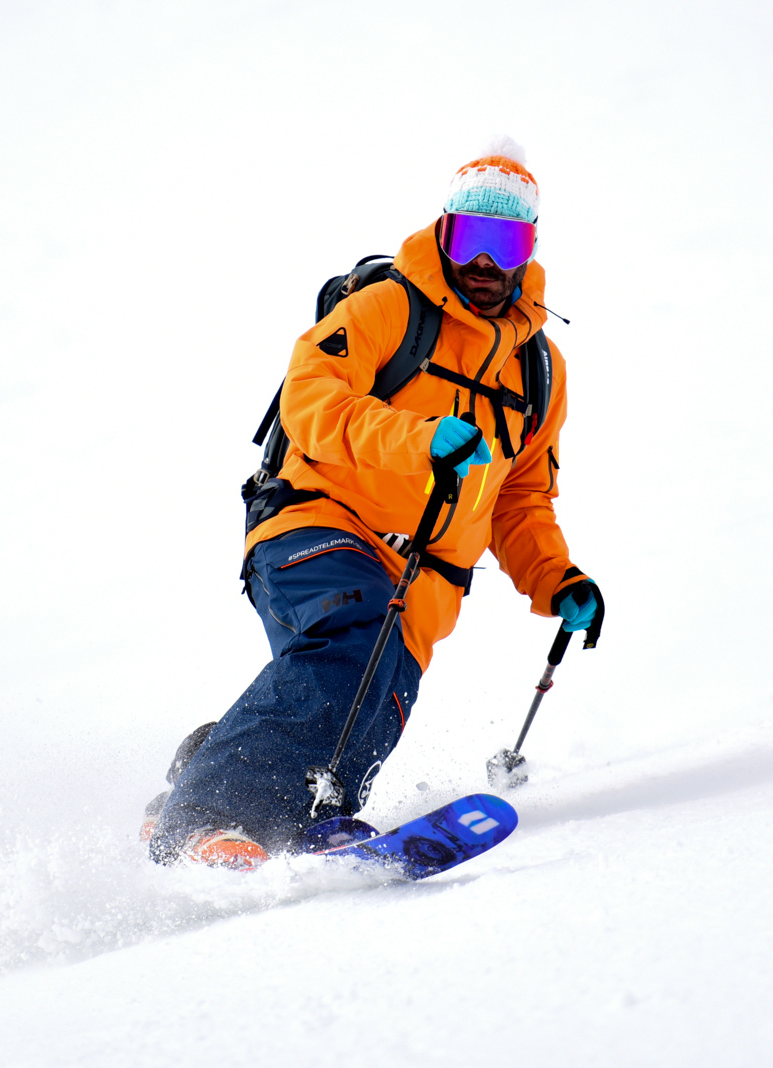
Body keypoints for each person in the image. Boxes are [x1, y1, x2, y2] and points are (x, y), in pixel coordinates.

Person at [145, 139, 601, 870]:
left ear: (530, 250)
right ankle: (203, 817)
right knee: (353, 631)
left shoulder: (540, 369)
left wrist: (555, 577)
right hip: (315, 519)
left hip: (422, 583)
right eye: (471, 237)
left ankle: (270, 808)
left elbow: (520, 496)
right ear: (444, 231)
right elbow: (309, 399)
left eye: (506, 243)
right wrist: (417, 438)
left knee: (370, 700)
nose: (485, 262)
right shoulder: (388, 308)